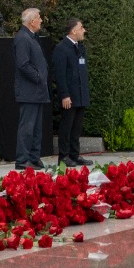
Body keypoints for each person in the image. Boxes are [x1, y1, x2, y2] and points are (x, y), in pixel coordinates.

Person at [14, 7, 49, 169]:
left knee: (36, 128)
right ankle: (22, 160)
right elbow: (23, 64)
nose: (41, 20)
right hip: (29, 91)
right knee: (27, 127)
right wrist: (38, 76)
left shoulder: (32, 37)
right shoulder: (23, 38)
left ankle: (34, 157)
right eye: (39, 17)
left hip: (37, 91)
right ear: (32, 21)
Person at [52, 17, 90, 167]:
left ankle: (75, 154)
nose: (84, 30)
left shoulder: (79, 47)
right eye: (82, 28)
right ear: (74, 30)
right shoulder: (62, 48)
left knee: (77, 127)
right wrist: (65, 95)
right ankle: (64, 156)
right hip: (70, 95)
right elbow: (60, 75)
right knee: (67, 126)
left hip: (80, 94)